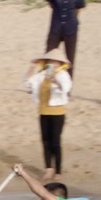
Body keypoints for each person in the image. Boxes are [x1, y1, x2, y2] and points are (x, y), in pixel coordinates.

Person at [27, 48, 73, 179]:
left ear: (59, 63)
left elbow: (66, 88)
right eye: (49, 61)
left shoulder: (63, 75)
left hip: (58, 112)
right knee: (45, 140)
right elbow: (28, 83)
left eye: (55, 61)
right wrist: (32, 67)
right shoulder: (42, 75)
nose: (52, 64)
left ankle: (58, 171)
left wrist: (55, 80)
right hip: (43, 110)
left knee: (56, 141)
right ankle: (48, 168)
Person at [41, 0, 84, 68]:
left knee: (69, 60)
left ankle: (67, 85)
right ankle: (48, 83)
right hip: (56, 27)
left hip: (71, 28)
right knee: (50, 57)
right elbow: (50, 3)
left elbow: (78, 7)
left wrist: (70, 18)